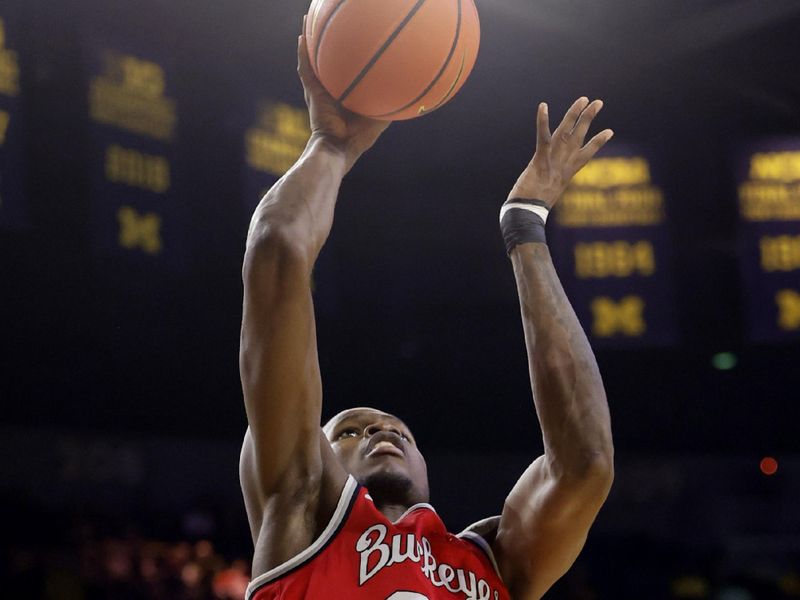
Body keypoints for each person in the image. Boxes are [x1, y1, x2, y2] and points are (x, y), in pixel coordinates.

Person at [238, 21, 615, 600]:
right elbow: (277, 249)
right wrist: (330, 148)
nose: (381, 430)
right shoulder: (300, 504)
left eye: (397, 432)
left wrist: (525, 223)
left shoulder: (495, 562)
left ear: (427, 468)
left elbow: (586, 465)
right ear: (316, 450)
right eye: (351, 430)